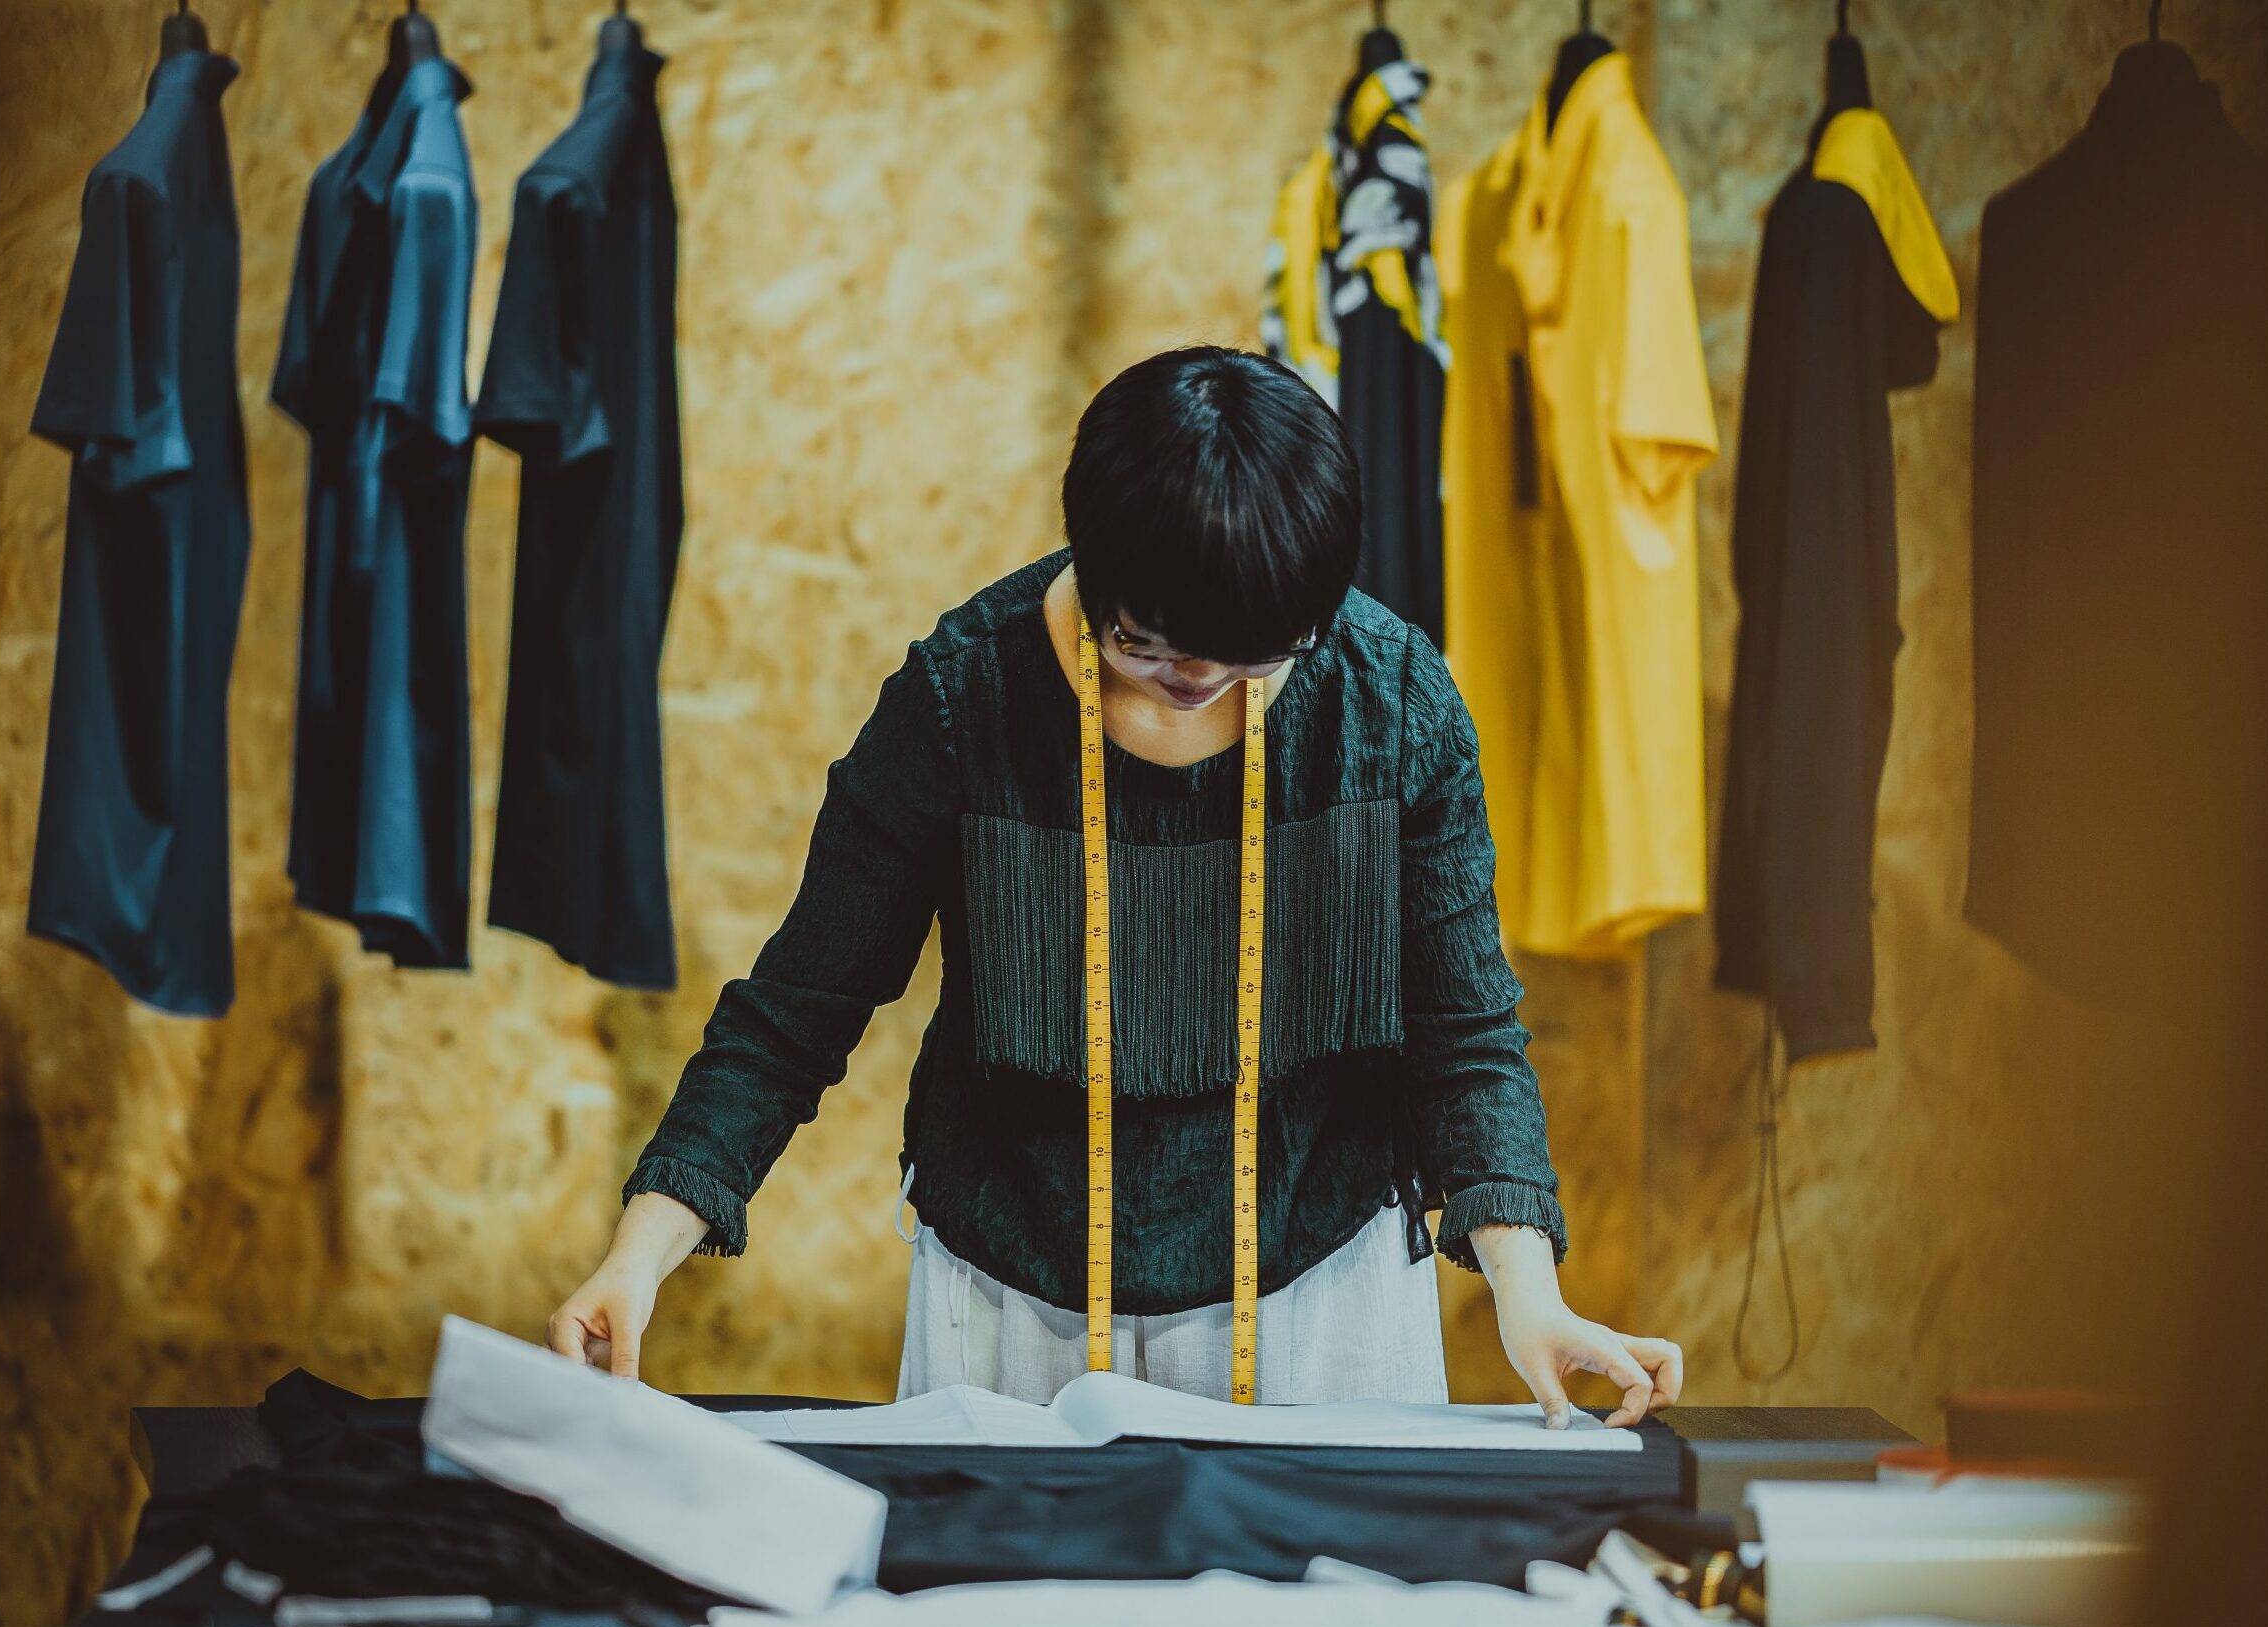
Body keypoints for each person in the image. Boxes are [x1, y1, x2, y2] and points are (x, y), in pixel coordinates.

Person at [548, 346, 1682, 1427]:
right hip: (1013, 1305)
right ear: (1094, 571)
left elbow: (1465, 1032)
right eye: (1155, 653)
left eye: (1255, 663)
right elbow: (796, 1009)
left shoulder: (1390, 700)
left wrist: (1526, 1292)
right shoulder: (963, 702)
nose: (1204, 692)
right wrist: (637, 1253)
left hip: (1321, 1296)